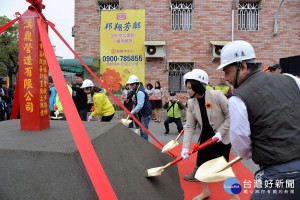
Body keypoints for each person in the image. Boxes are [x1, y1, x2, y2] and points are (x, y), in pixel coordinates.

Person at [217, 40, 300, 200]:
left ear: (243, 66)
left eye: (227, 71)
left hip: (277, 173)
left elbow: (241, 144)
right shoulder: (291, 80)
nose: (225, 78)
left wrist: (259, 152)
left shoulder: (238, 99)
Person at [180, 69, 239, 200]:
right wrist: (185, 148)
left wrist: (220, 133)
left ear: (198, 86)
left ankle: (234, 195)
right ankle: (205, 192)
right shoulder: (191, 102)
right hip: (206, 139)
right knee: (201, 165)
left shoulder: (217, 95)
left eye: (190, 88)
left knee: (225, 168)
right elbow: (189, 126)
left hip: (221, 138)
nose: (188, 91)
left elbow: (231, 116)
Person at [127, 75, 152, 140]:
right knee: (141, 129)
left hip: (145, 113)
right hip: (141, 113)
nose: (130, 86)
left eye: (131, 84)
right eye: (130, 84)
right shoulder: (136, 89)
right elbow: (132, 97)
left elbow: (140, 105)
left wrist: (132, 112)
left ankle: (145, 145)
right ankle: (142, 142)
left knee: (144, 130)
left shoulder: (140, 91)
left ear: (135, 84)